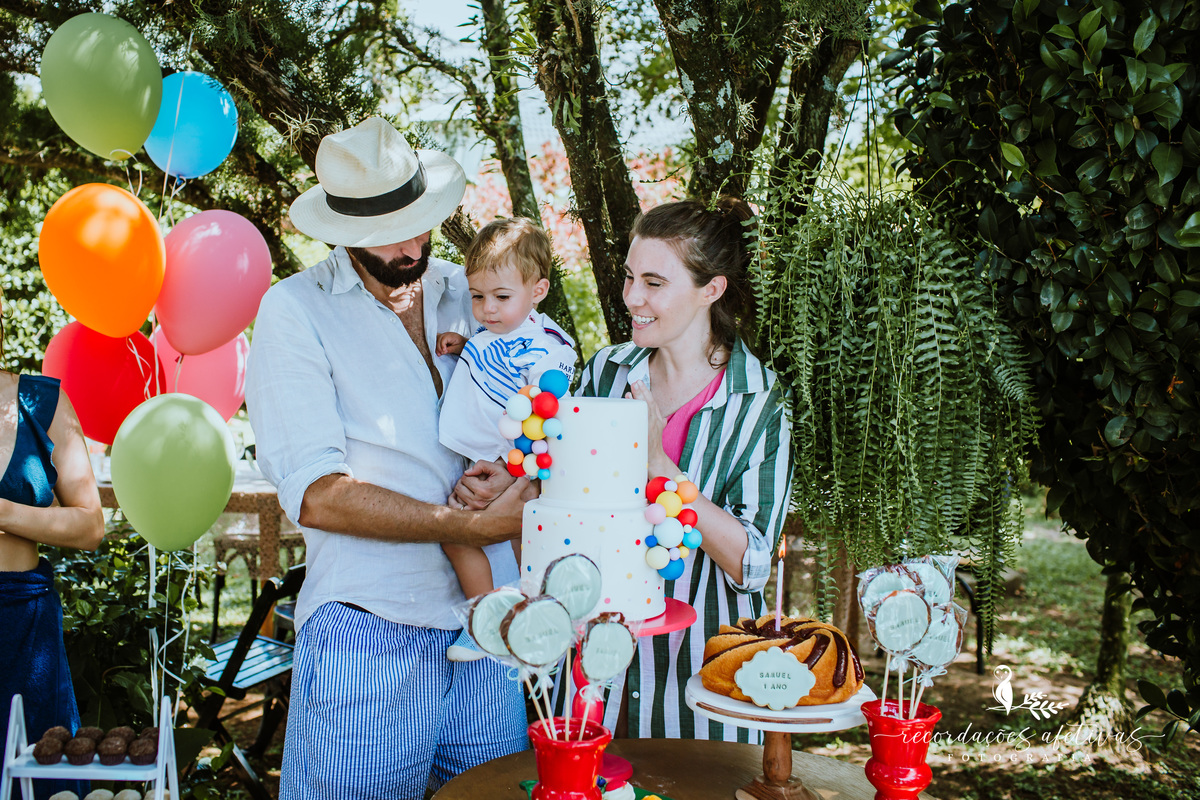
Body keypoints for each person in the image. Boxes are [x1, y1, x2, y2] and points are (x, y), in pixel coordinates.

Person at [245, 117, 533, 800]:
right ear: (341, 231)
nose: (411, 247)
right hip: (369, 634)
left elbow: (531, 412)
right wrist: (464, 527)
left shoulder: (467, 291)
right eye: (388, 233)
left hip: (490, 625)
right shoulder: (293, 311)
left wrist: (516, 471)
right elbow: (318, 493)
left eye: (421, 223)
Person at [457, 196, 794, 741]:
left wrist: (661, 465)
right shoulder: (606, 372)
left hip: (702, 688)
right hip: (594, 681)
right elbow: (563, 489)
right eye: (631, 277)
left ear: (712, 290)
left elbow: (751, 566)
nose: (632, 297)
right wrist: (516, 474)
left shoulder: (758, 401)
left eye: (655, 283)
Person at [434, 218, 576, 661]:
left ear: (538, 291)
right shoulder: (496, 330)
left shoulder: (549, 348)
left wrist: (512, 466)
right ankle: (488, 621)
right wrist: (463, 345)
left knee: (523, 542)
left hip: (509, 465)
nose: (487, 309)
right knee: (456, 537)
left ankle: (531, 618)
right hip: (478, 458)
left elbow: (548, 418)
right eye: (477, 297)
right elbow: (491, 364)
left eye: (500, 297)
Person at [0, 300, 105, 800]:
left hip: (20, 621)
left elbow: (90, 525)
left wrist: (4, 514)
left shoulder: (40, 403)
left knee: (38, 779)